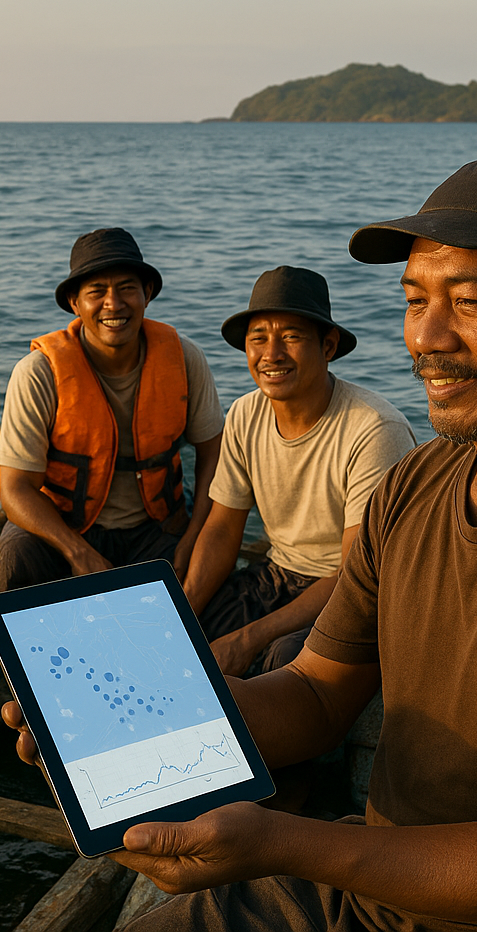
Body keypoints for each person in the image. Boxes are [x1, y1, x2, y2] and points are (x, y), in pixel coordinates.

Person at [6, 155, 477, 932]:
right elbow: (318, 694)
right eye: (415, 299)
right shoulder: (415, 488)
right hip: (373, 894)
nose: (425, 337)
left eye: (470, 300)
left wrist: (282, 843)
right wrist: (140, 718)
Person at [184, 265, 415, 676]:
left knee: (284, 663)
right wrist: (182, 613)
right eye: (258, 338)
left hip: (353, 589)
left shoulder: (373, 428)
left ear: (327, 346)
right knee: (183, 640)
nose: (271, 354)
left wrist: (249, 637)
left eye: (290, 337)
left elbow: (354, 573)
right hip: (275, 575)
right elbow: (221, 528)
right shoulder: (244, 412)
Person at [0, 227, 224, 593]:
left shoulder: (184, 358)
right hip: (64, 526)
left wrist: (193, 538)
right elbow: (16, 488)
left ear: (147, 294)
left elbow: (215, 455)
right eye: (96, 292)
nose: (114, 304)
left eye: (127, 288)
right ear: (74, 303)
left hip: (157, 528)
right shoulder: (38, 372)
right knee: (12, 562)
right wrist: (77, 552)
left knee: (208, 578)